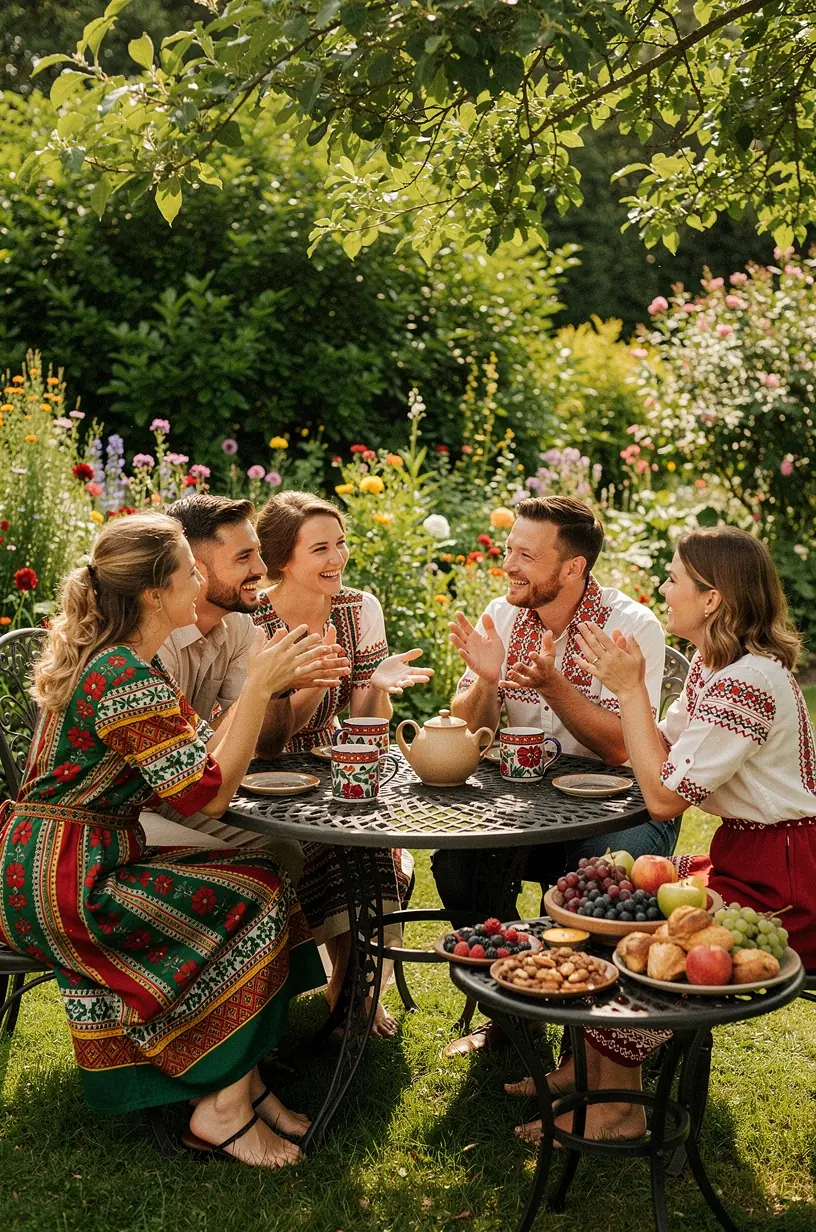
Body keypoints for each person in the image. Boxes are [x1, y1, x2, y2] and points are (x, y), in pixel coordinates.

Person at [0, 514, 327, 1167]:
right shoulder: (124, 677)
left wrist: (257, 686)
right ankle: (222, 1113)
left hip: (50, 863)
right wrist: (259, 688)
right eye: (188, 572)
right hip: (68, 883)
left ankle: (247, 1083)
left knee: (258, 868)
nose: (200, 579)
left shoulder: (119, 664)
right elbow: (208, 795)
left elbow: (186, 772)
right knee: (257, 892)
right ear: (154, 593)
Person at [510, 526, 816, 1144]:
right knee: (610, 899)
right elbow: (663, 749)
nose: (662, 588)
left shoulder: (748, 682)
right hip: (747, 851)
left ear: (712, 600)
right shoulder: (715, 665)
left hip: (787, 876)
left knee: (648, 940)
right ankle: (588, 1068)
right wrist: (626, 698)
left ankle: (620, 1107)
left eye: (674, 578)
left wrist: (628, 689)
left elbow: (662, 793)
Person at [432, 495, 670, 1055]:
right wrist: (486, 682)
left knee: (608, 871)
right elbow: (465, 731)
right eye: (510, 549)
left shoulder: (630, 627)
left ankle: (601, 1039)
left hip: (621, 806)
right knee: (457, 865)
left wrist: (553, 686)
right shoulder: (504, 613)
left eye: (525, 556)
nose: (508, 565)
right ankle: (516, 1010)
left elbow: (620, 749)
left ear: (572, 569)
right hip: (525, 807)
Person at [253, 490, 434, 1036]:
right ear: (284, 559)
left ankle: (353, 987)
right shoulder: (253, 620)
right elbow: (262, 736)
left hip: (334, 765)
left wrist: (375, 687)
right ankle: (348, 984)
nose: (337, 559)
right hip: (267, 771)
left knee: (368, 838)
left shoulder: (360, 608)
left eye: (341, 544)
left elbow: (367, 728)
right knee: (330, 842)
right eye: (320, 549)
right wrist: (309, 685)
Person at [139, 493, 349, 875]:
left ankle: (348, 937)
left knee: (298, 843)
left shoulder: (236, 626)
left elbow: (266, 744)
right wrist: (260, 686)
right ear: (195, 569)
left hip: (186, 789)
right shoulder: (149, 640)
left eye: (258, 553)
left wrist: (276, 689)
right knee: (270, 858)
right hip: (133, 809)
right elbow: (195, 781)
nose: (262, 568)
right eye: (244, 558)